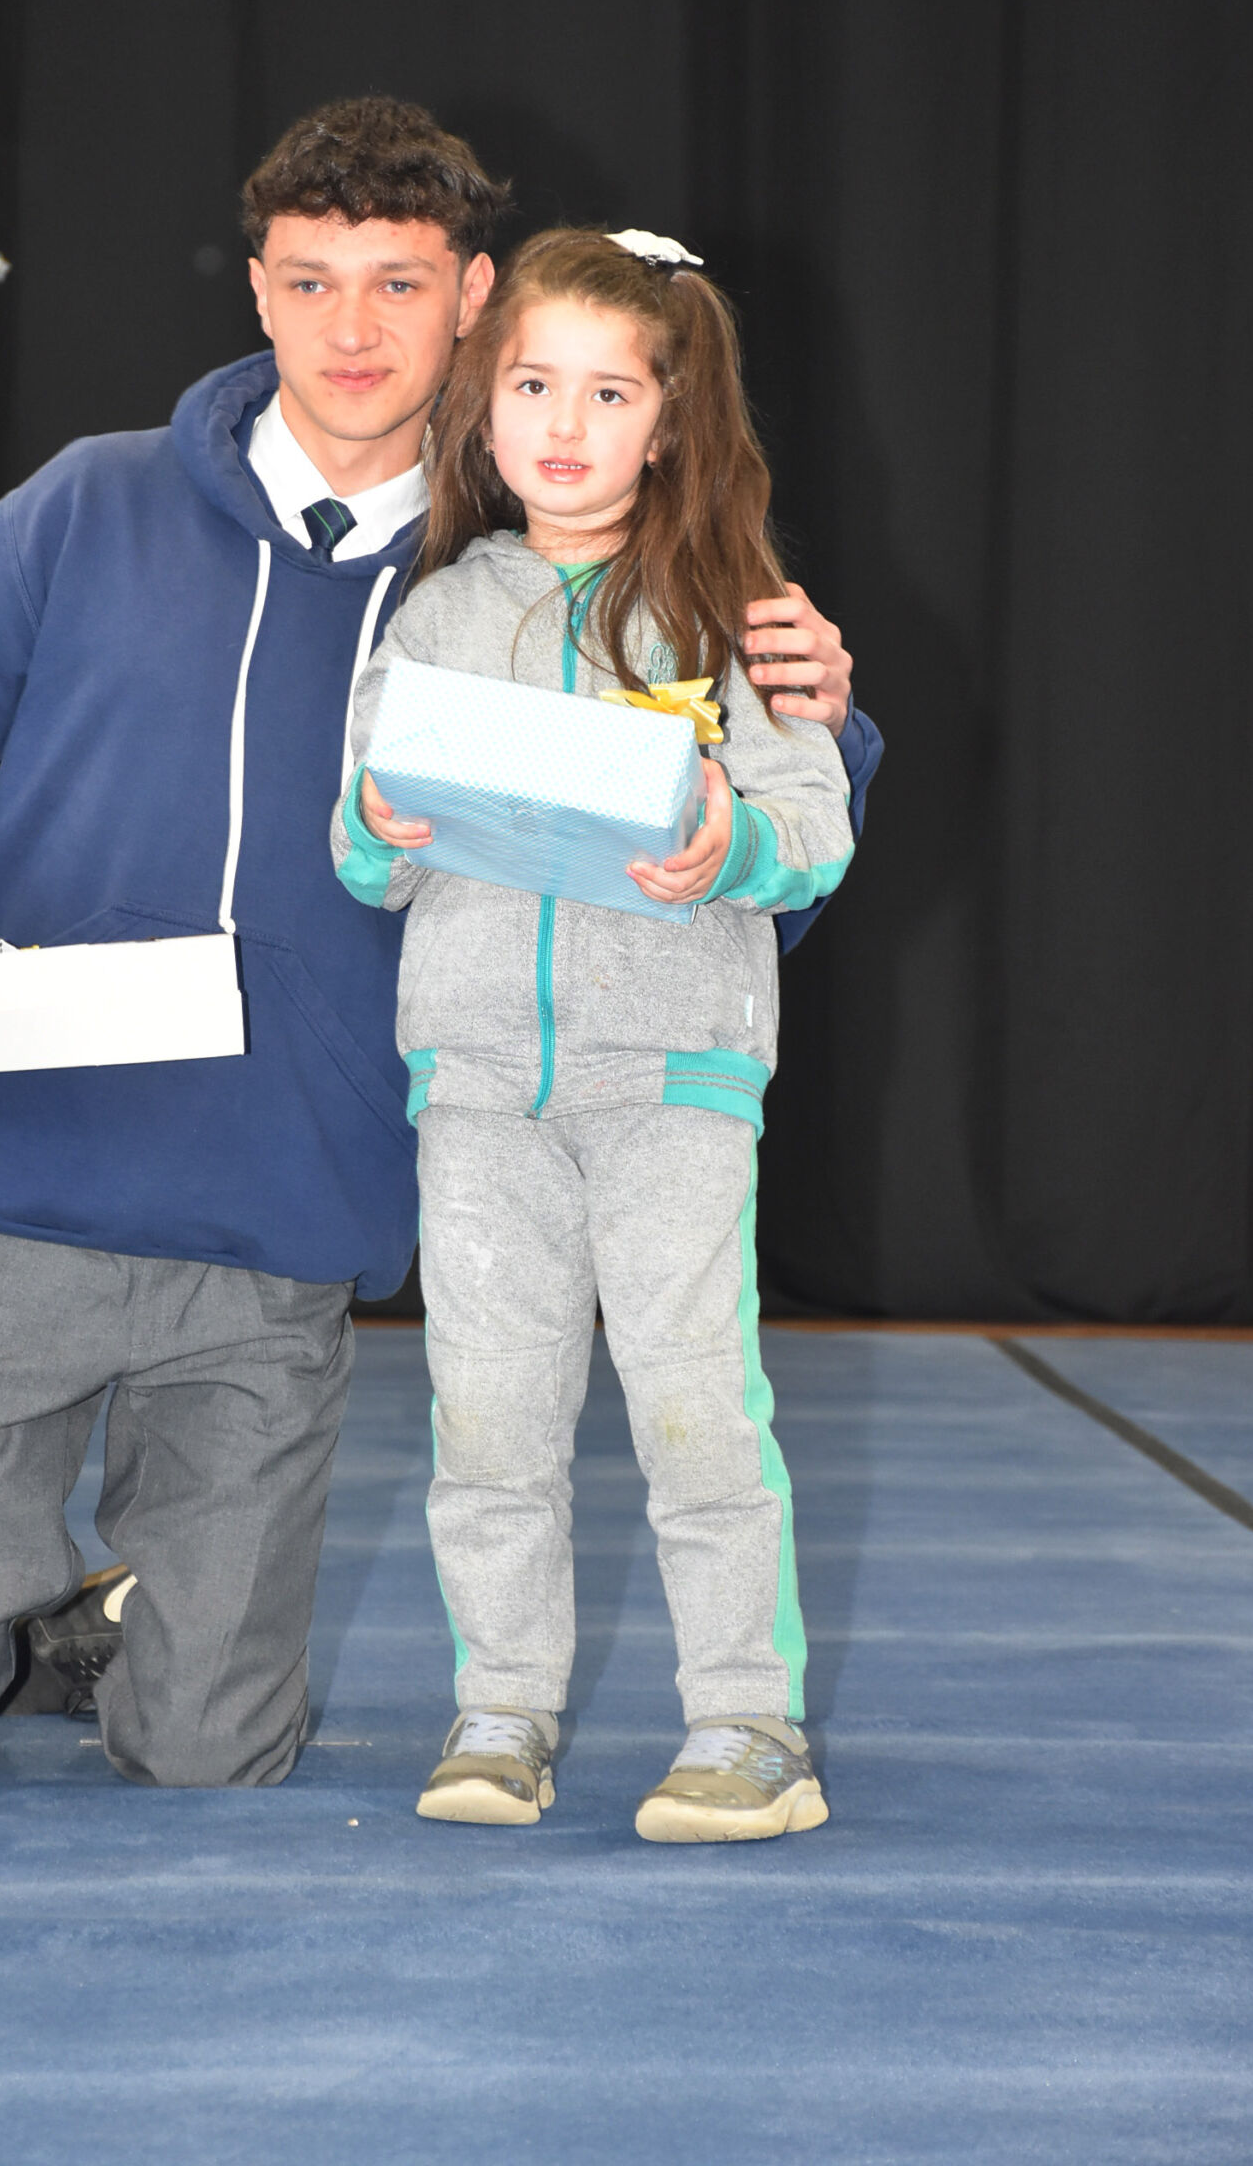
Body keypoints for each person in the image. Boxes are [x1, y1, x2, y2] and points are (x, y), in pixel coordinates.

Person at [0, 103, 882, 1789]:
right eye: (310, 283)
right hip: (18, 1167)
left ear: (476, 297)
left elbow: (736, 877)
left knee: (210, 1755)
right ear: (256, 291)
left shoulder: (530, 575)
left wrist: (820, 728)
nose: (352, 329)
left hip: (281, 1218)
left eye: (399, 284)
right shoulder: (90, 504)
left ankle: (86, 1626)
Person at [333, 227, 851, 1842]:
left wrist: (734, 848)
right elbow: (360, 853)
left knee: (698, 1410)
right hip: (478, 1088)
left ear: (672, 419)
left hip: (674, 1083)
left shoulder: (737, 615)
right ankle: (503, 1710)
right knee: (487, 1416)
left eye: (611, 393)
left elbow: (813, 827)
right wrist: (379, 826)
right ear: (482, 407)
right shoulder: (436, 614)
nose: (565, 425)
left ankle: (750, 1729)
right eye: (533, 387)